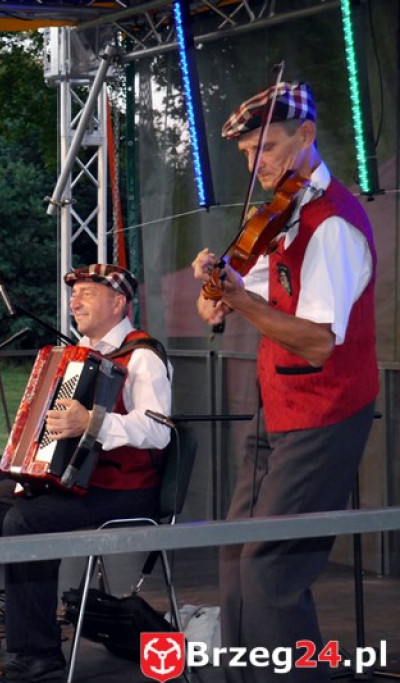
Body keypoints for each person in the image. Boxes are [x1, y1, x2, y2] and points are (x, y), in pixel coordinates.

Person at [192, 82, 377, 683]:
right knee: (236, 556)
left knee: (271, 570)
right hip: (278, 403)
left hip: (326, 410)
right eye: (246, 155)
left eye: (266, 148)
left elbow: (320, 341)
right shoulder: (282, 216)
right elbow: (229, 293)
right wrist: (214, 285)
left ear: (306, 136)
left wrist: (240, 301)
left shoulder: (331, 226)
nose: (256, 165)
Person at [0, 264, 172, 683]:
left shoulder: (142, 356)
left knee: (27, 521)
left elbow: (158, 431)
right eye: (74, 295)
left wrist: (93, 422)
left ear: (118, 302)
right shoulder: (79, 356)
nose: (74, 302)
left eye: (87, 293)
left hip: (127, 488)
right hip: (79, 482)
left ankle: (37, 656)